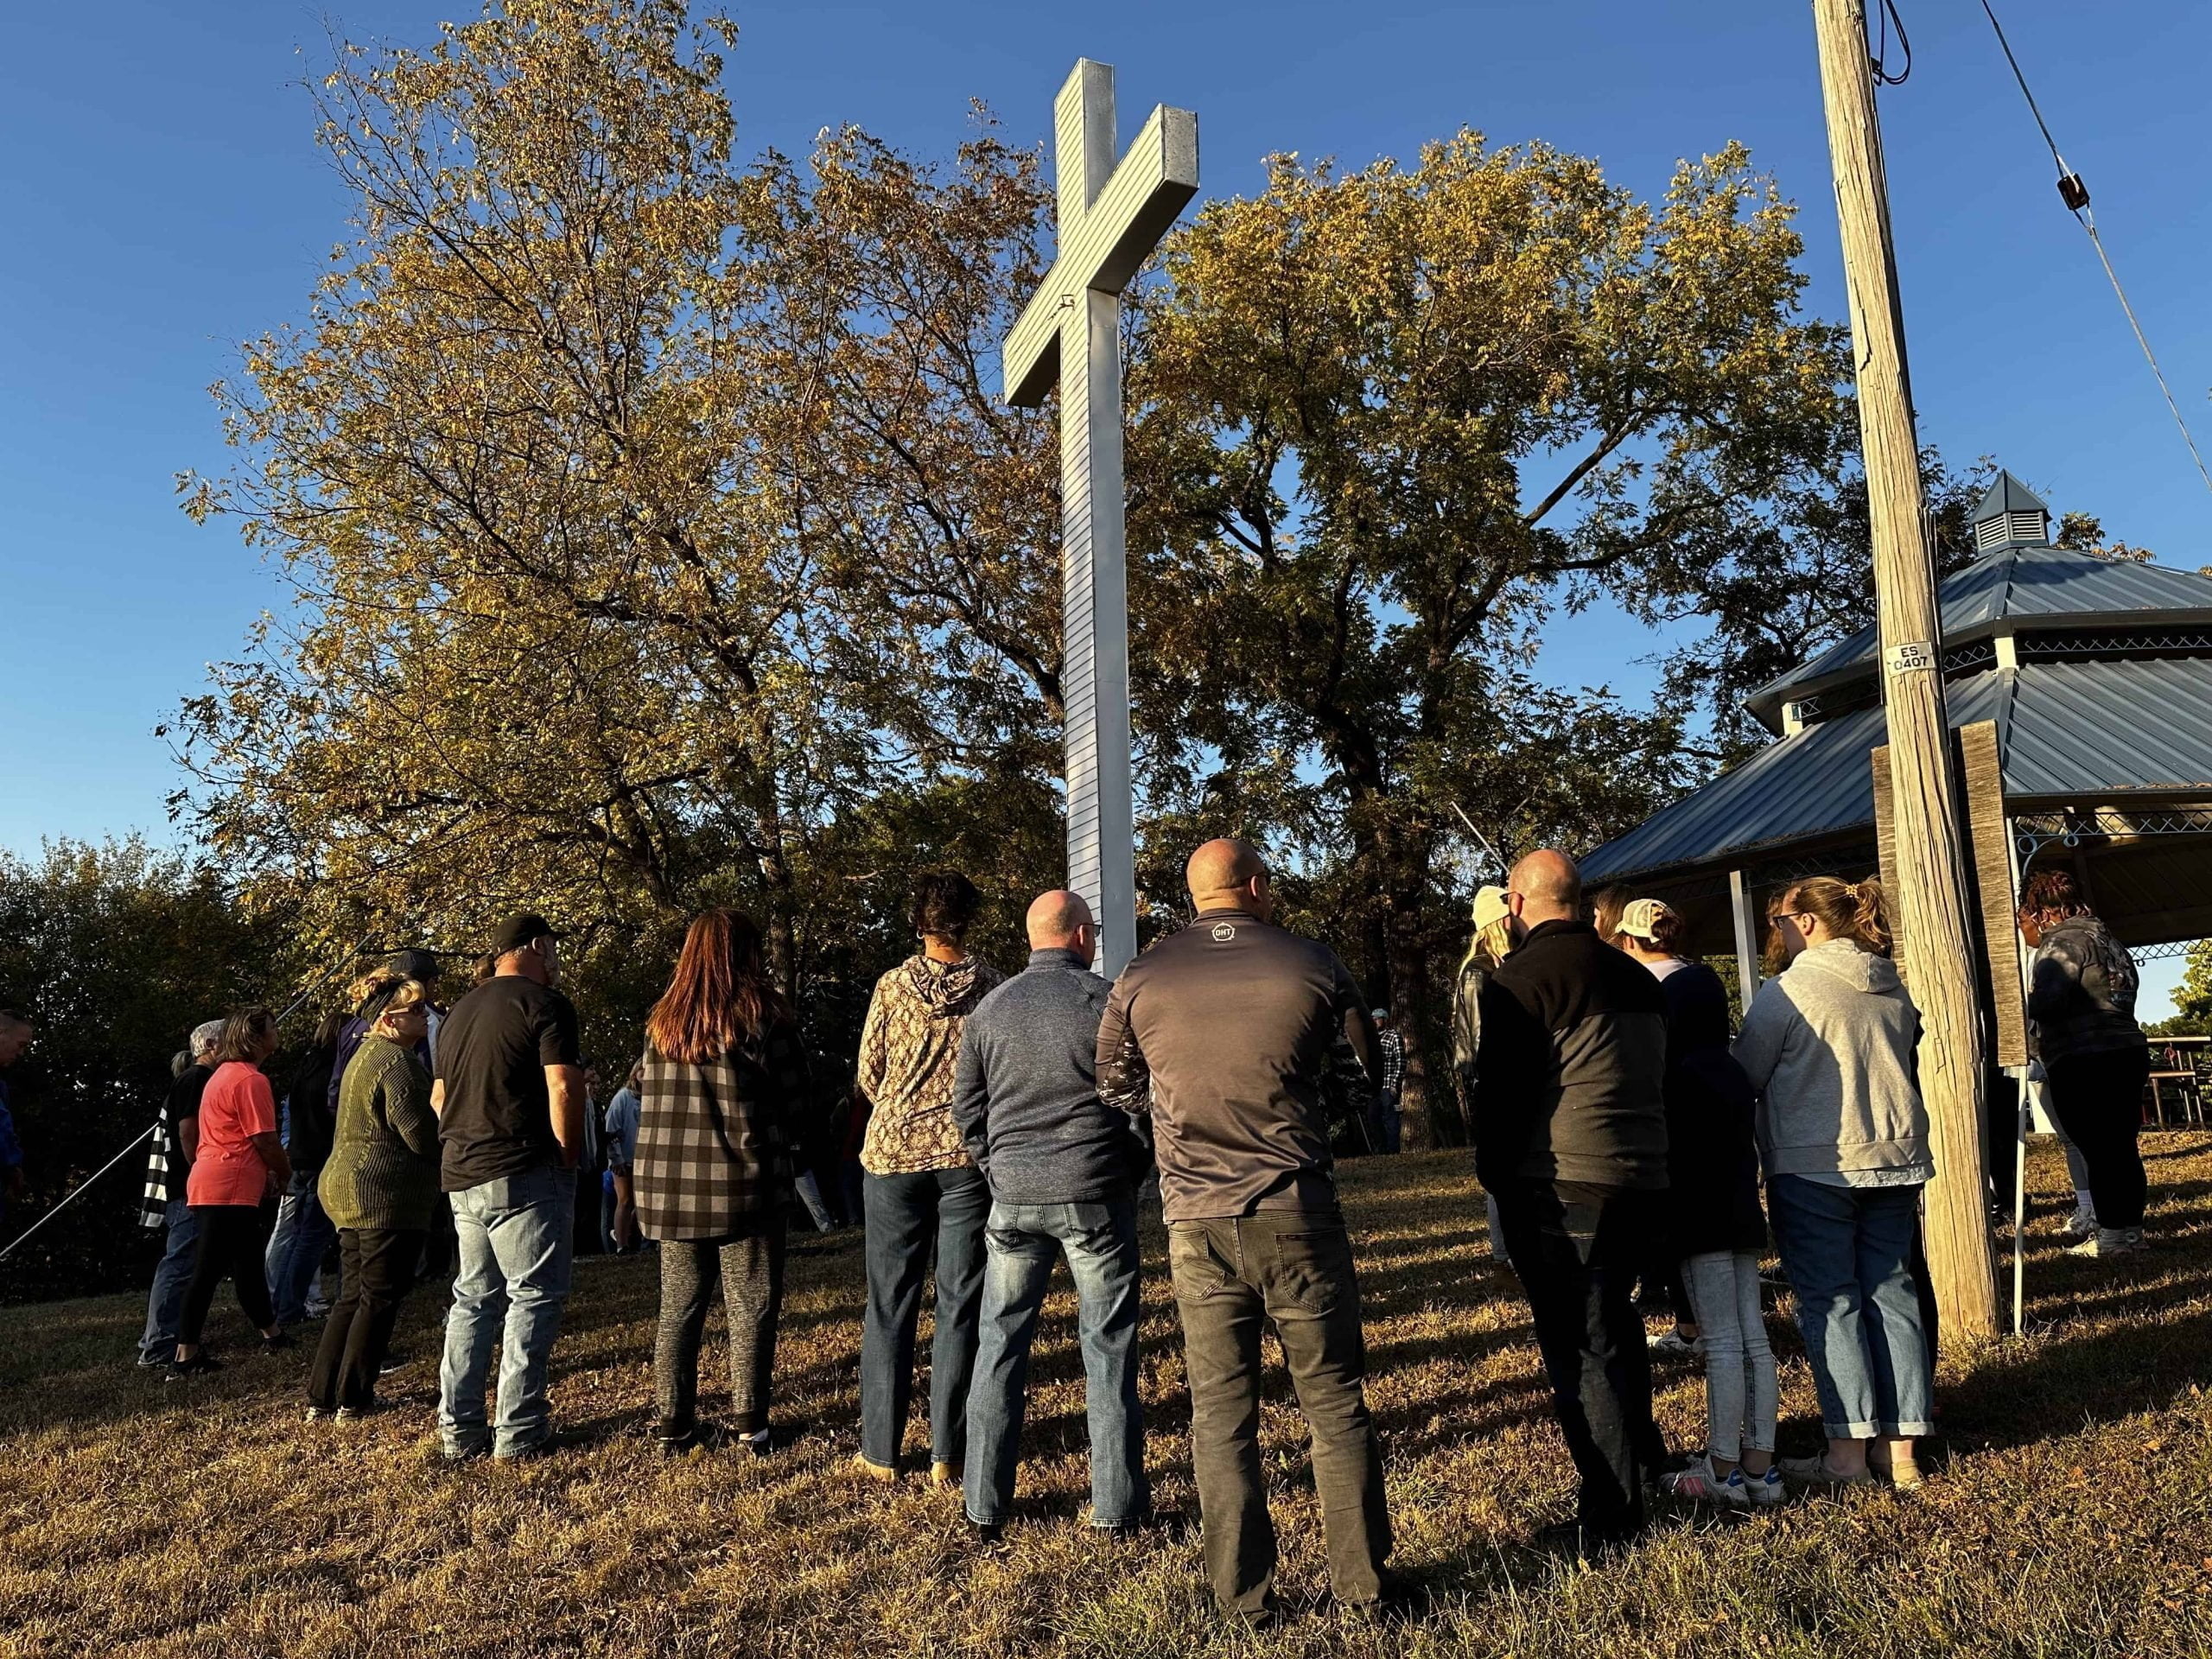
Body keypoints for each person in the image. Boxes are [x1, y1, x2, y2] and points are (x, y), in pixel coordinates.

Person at [1097, 838, 1389, 1622]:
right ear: (1256, 887)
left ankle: (1242, 1597)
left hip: (1195, 1217)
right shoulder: (1314, 963)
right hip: (1296, 1208)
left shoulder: (1140, 976)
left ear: (1195, 894)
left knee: (1220, 1415)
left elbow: (1114, 1084)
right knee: (1333, 1402)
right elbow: (1368, 1076)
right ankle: (1362, 1589)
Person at [1471, 849, 1669, 1551]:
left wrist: (1495, 1177)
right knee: (1616, 1327)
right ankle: (1646, 1466)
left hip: (1562, 1183)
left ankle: (1612, 1510)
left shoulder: (1519, 979)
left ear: (1519, 905)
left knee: (1579, 1348)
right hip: (1643, 1176)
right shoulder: (1636, 976)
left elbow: (1501, 1098)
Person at [955, 890, 1151, 1542]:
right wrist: (1127, 1168)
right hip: (1095, 1193)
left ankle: (983, 1505)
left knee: (1000, 1345)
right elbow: (1136, 1104)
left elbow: (968, 1112)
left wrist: (997, 1170)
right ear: (1080, 936)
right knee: (1108, 1347)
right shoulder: (1106, 1000)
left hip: (1012, 1198)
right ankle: (1116, 1507)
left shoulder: (990, 1008)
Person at [1734, 875, 1934, 1491]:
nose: (1779, 930)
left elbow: (1744, 1075)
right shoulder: (1892, 986)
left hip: (1816, 1161)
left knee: (1832, 1303)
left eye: (1781, 919)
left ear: (1809, 923)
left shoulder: (1787, 993)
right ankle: (1900, 1451)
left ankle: (1847, 1453)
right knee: (1892, 1296)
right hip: (1896, 1157)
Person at [1613, 899, 1778, 1509]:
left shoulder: (1671, 1069)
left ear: (1630, 943)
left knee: (1722, 1342)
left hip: (1697, 1205)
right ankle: (1761, 1464)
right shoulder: (1727, 1065)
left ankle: (1723, 1467)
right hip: (1739, 1202)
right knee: (1753, 1335)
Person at [636, 909, 815, 1456]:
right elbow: (798, 1100)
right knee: (752, 1304)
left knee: (679, 1308)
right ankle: (750, 1426)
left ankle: (674, 1425)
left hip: (670, 1188)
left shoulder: (663, 1021)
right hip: (744, 1184)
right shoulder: (761, 1017)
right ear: (747, 954)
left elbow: (641, 1086)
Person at [852, 873, 1003, 1487]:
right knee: (960, 1301)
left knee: (890, 1302)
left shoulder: (892, 987)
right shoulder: (994, 987)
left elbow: (869, 1072)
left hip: (893, 1156)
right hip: (965, 1156)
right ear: (970, 920)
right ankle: (949, 1451)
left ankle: (881, 1451)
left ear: (918, 922)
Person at [434, 912, 585, 1462]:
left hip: (463, 1170)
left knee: (472, 1299)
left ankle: (459, 1430)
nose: (558, 958)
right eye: (554, 947)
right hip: (523, 1166)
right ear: (537, 946)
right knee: (534, 1296)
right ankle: (518, 1431)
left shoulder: (456, 1012)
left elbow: (437, 1097)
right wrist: (567, 1155)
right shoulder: (545, 1004)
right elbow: (562, 1087)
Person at [308, 977, 442, 1418]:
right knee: (379, 1297)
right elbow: (419, 1134)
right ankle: (354, 1395)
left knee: (353, 1295)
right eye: (417, 1008)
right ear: (389, 1019)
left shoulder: (361, 1057)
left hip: (349, 1189)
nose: (426, 1014)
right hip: (383, 1193)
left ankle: (323, 1395)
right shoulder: (397, 1062)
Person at [2019, 868, 2150, 1258]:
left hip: (2082, 1053)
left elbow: (2049, 1002)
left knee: (2098, 1147)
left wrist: (2025, 1011)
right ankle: (2130, 1231)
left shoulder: (2062, 944)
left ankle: (2111, 1235)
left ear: (2042, 910)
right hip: (2125, 1047)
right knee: (2122, 1145)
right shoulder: (2107, 939)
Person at [169, 1009, 294, 1378]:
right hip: (231, 1182)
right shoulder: (250, 1079)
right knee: (208, 1269)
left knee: (247, 1262)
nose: (278, 1032)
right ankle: (184, 1354)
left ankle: (271, 1333)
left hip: (214, 1177)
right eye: (272, 1028)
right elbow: (264, 1138)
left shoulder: (221, 1075)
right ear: (255, 1038)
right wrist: (284, 1172)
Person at [138, 1020, 225, 1368]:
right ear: (210, 1045)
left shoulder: (196, 1079)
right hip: (188, 1186)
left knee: (188, 1260)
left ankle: (165, 1337)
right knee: (180, 1262)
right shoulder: (196, 1080)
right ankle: (159, 1345)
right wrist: (198, 1171)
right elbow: (188, 1132)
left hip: (187, 1184)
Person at [1449, 886, 1516, 1266]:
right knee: (1500, 1169)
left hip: (1500, 1078)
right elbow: (1477, 1039)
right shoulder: (1479, 973)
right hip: (1492, 1081)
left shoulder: (1502, 966)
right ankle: (1503, 1255)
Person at [265, 1012, 345, 1325]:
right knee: (311, 1237)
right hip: (321, 1159)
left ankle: (283, 1302)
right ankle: (289, 1307)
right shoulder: (332, 1072)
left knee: (299, 1235)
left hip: (301, 1160)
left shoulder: (306, 1068)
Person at [603, 1061, 643, 1254]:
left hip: (642, 1159)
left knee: (640, 1203)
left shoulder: (650, 1098)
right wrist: (615, 1157)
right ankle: (621, 1244)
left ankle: (632, 1238)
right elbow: (611, 1127)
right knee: (625, 1200)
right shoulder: (623, 1098)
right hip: (624, 1158)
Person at [1367, 1010, 1405, 1154]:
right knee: (1372, 1115)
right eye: (1373, 1019)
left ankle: (1393, 1150)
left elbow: (1401, 1060)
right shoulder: (1370, 1038)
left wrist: (1395, 1083)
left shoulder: (1394, 1035)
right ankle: (1381, 1148)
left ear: (1385, 1020)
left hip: (1389, 1084)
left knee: (1391, 1116)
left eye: (1378, 1019)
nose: (1375, 1021)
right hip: (1374, 1086)